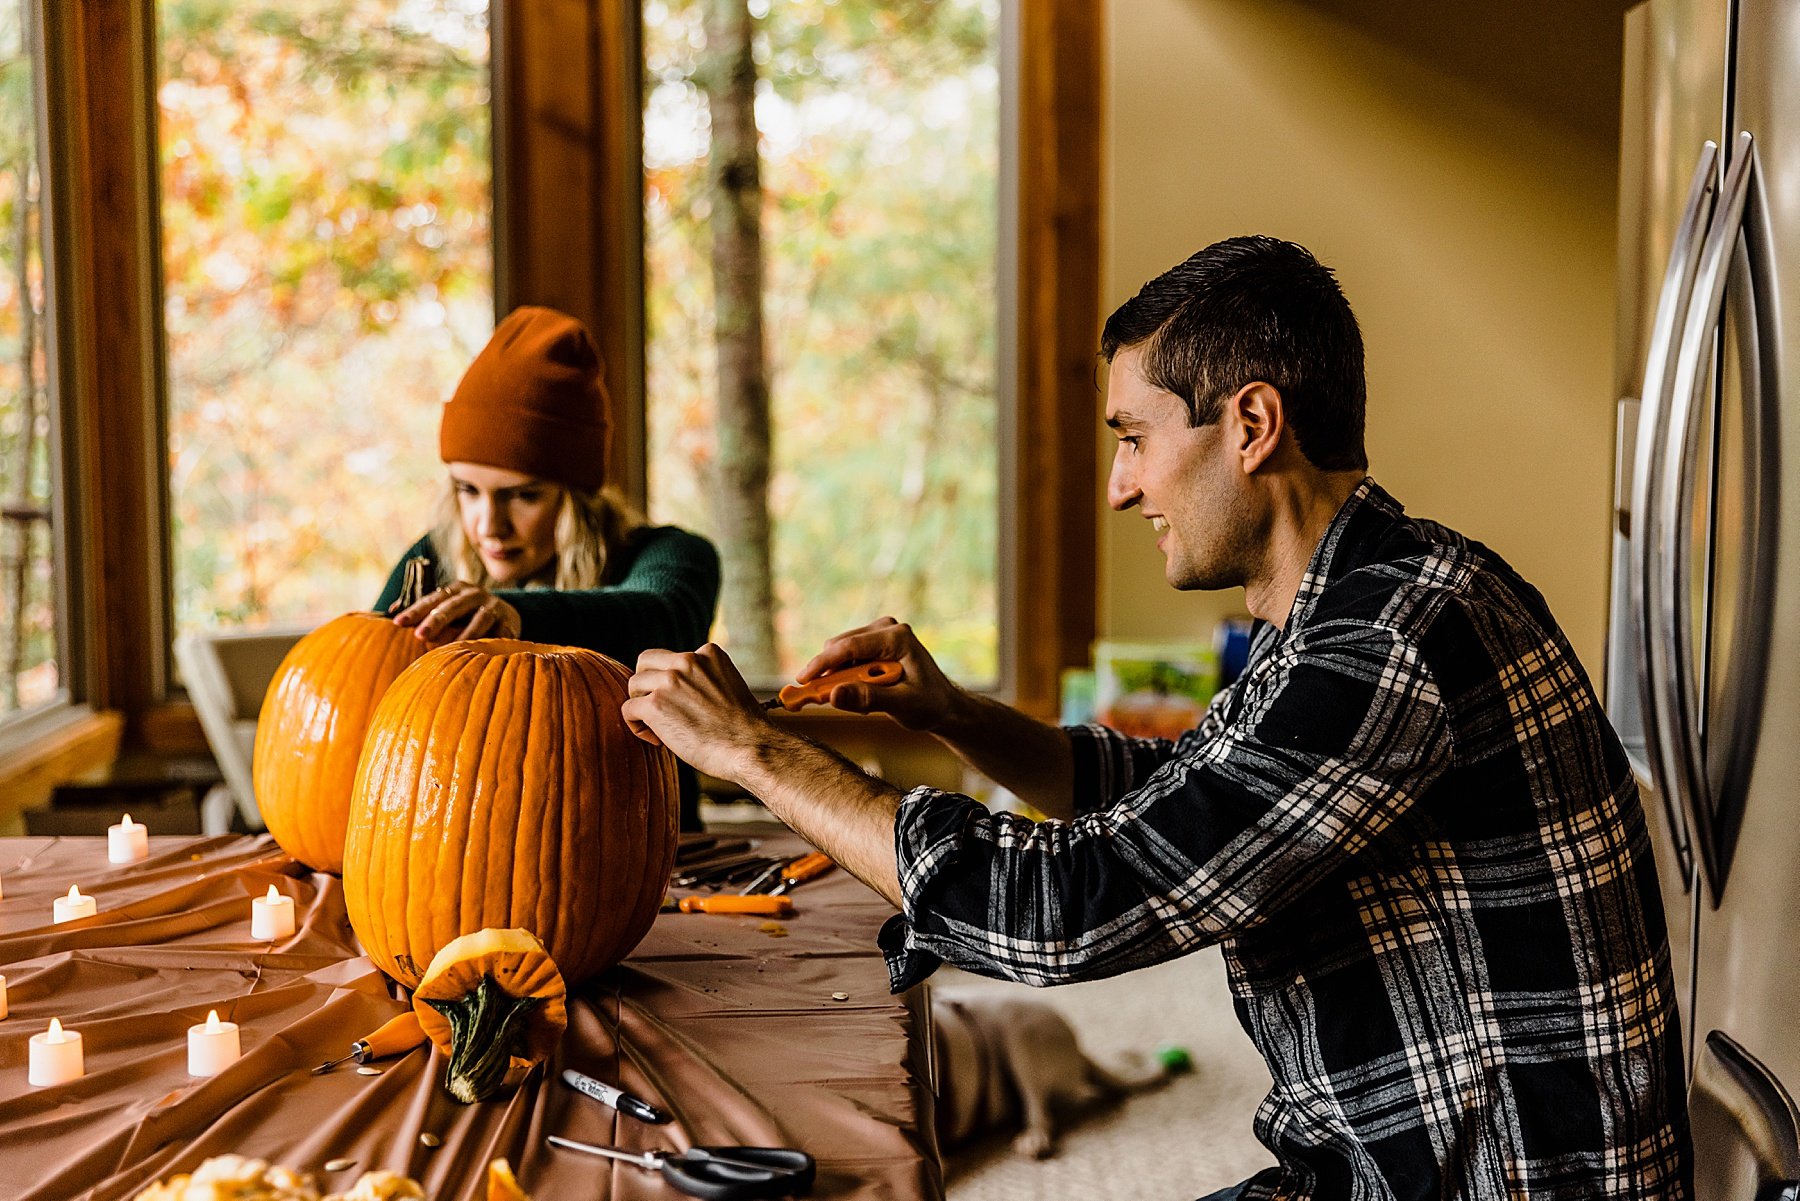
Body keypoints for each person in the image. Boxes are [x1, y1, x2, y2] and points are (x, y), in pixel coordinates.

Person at [621, 236, 1691, 1199]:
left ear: (1252, 426)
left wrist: (752, 751)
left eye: (1133, 437)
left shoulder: (1384, 646)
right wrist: (956, 716)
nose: (1119, 487)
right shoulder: (1369, 590)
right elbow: (1179, 800)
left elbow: (1066, 913)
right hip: (1374, 1159)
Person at [377, 304, 720, 830]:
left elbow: (660, 615)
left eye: (523, 496)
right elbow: (370, 677)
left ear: (575, 497)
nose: (489, 524)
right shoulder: (433, 559)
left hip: (648, 855)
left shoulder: (672, 556)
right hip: (461, 850)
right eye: (468, 491)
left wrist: (510, 618)